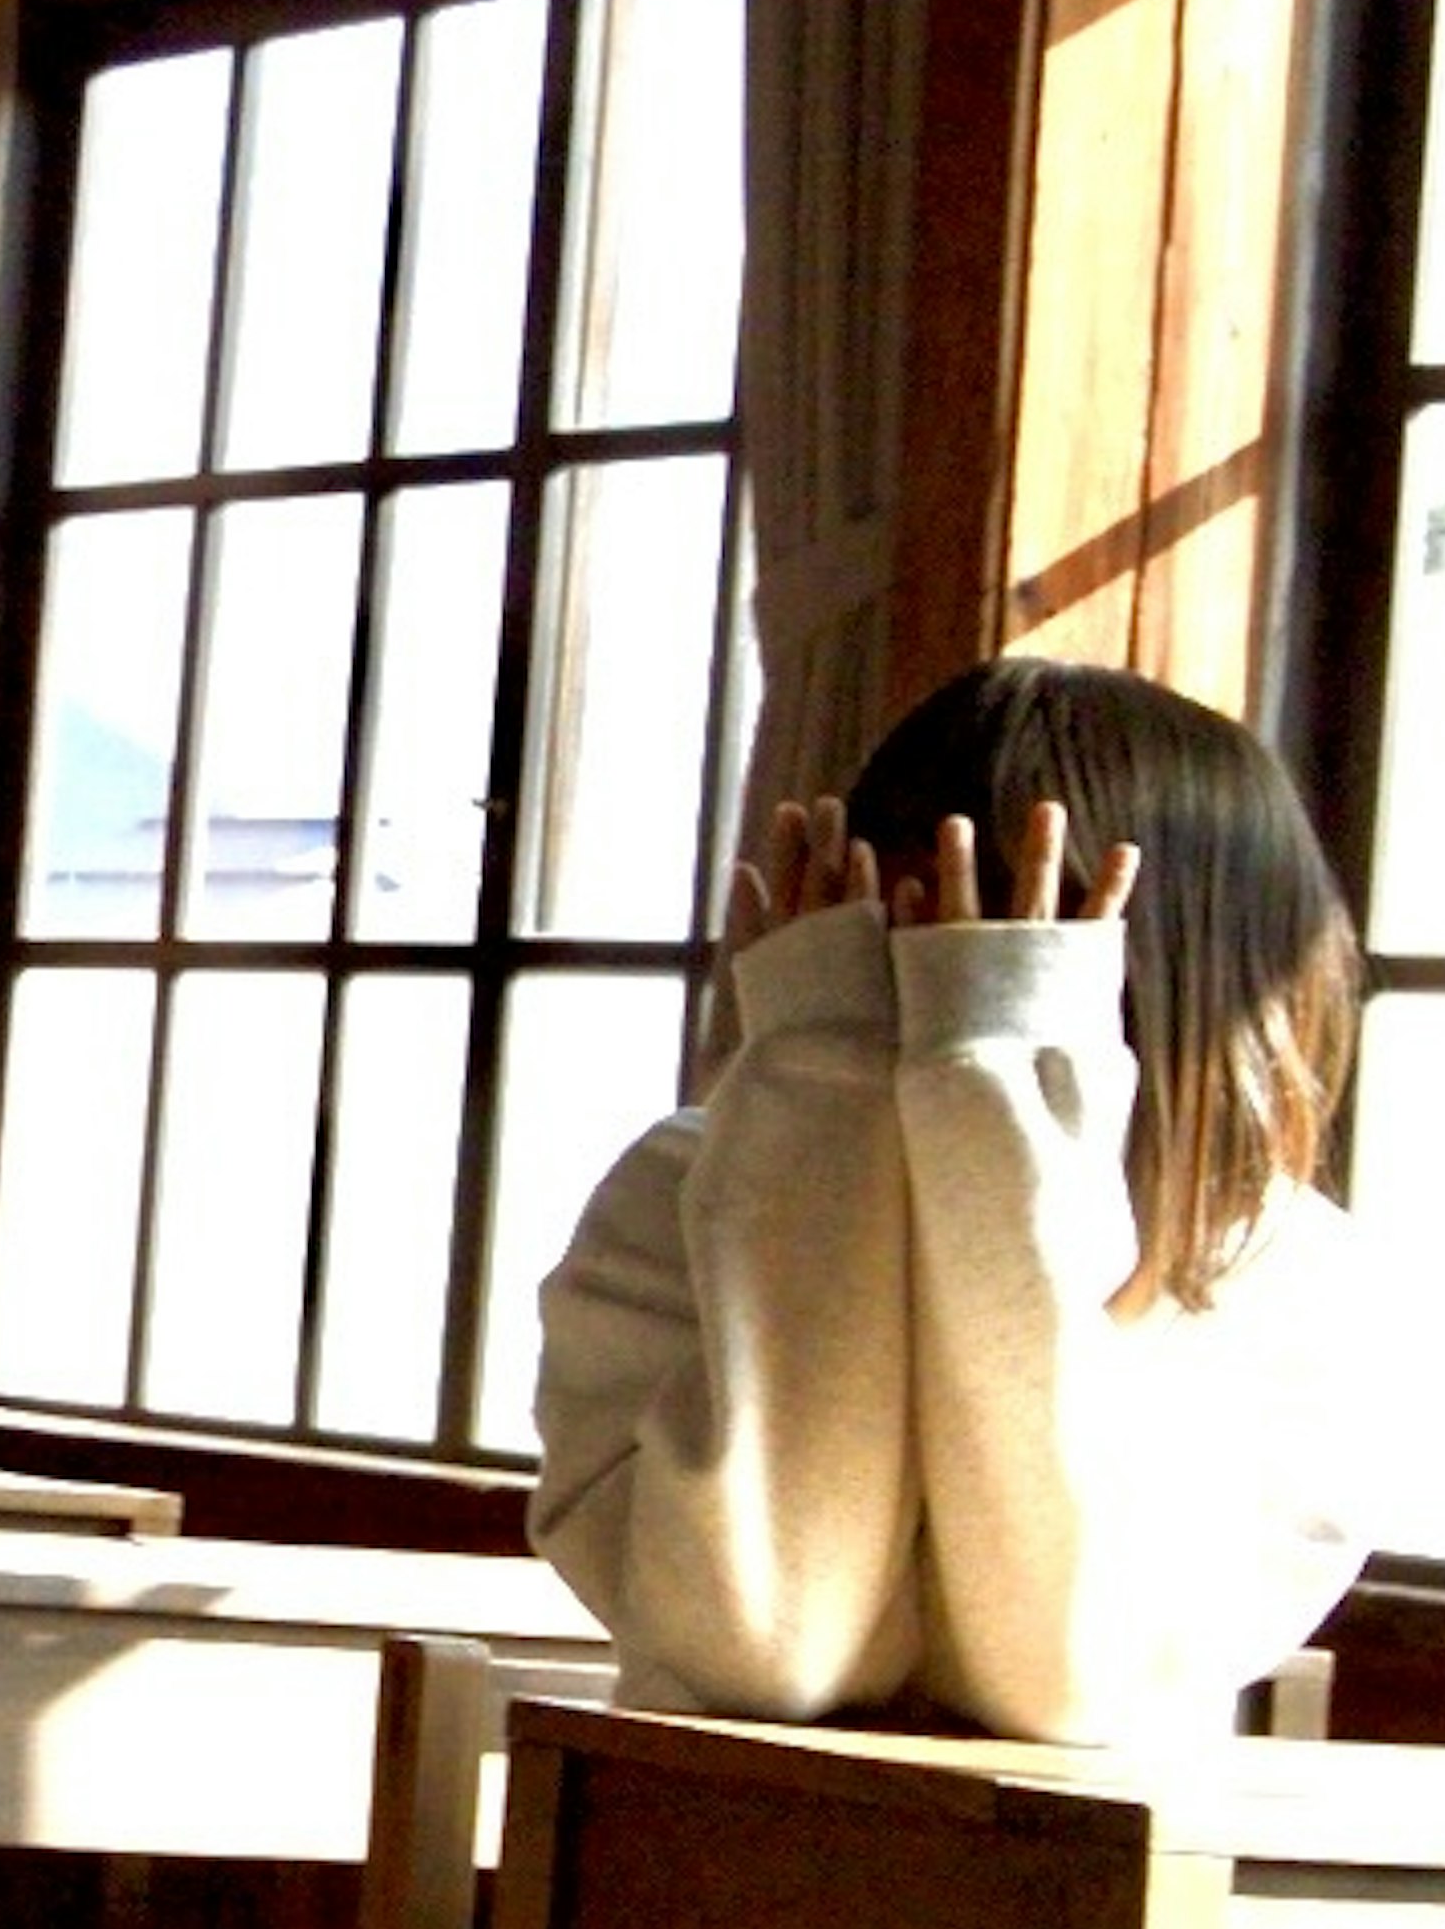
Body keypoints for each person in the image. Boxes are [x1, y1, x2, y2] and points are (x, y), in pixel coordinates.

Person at [528, 656, 1379, 1743]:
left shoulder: (1292, 1273)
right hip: (698, 1872)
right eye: (911, 930)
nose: (929, 966)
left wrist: (998, 1072)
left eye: (1004, 942)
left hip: (1081, 1896)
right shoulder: (679, 1193)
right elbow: (767, 1646)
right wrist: (824, 1073)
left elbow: (1066, 1680)